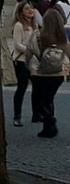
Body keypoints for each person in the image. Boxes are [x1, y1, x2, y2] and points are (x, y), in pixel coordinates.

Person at [29, 8, 70, 138]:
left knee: (39, 100)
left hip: (40, 72)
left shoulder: (37, 35)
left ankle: (50, 120)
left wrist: (29, 66)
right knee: (49, 98)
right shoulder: (62, 37)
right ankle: (48, 128)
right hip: (58, 73)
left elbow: (30, 52)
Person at [10, 1, 40, 126]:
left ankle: (36, 114)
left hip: (33, 61)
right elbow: (17, 45)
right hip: (21, 60)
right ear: (21, 11)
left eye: (31, 8)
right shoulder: (19, 25)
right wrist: (30, 50)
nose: (30, 10)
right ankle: (17, 116)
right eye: (27, 8)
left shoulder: (35, 25)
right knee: (22, 87)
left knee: (37, 87)